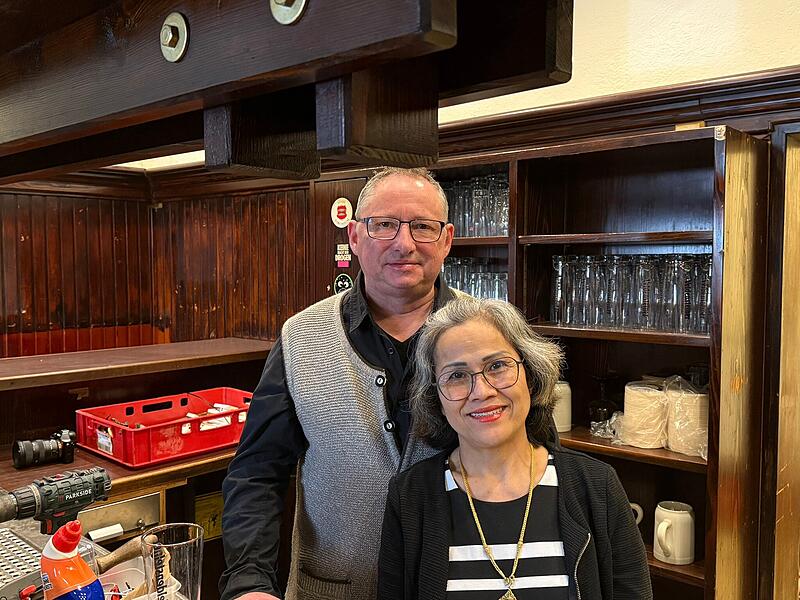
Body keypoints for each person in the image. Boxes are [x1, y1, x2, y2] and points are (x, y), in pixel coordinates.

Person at [219, 166, 457, 600]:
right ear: (355, 236)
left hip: (461, 588)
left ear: (446, 240)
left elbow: (537, 462)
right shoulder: (301, 336)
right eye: (384, 225)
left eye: (422, 226)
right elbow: (257, 472)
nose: (404, 243)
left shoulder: (493, 335)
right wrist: (249, 582)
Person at [378, 297, 653, 600]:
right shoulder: (410, 497)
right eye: (457, 376)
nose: (482, 391)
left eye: (497, 366)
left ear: (531, 377)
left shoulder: (596, 486)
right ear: (437, 400)